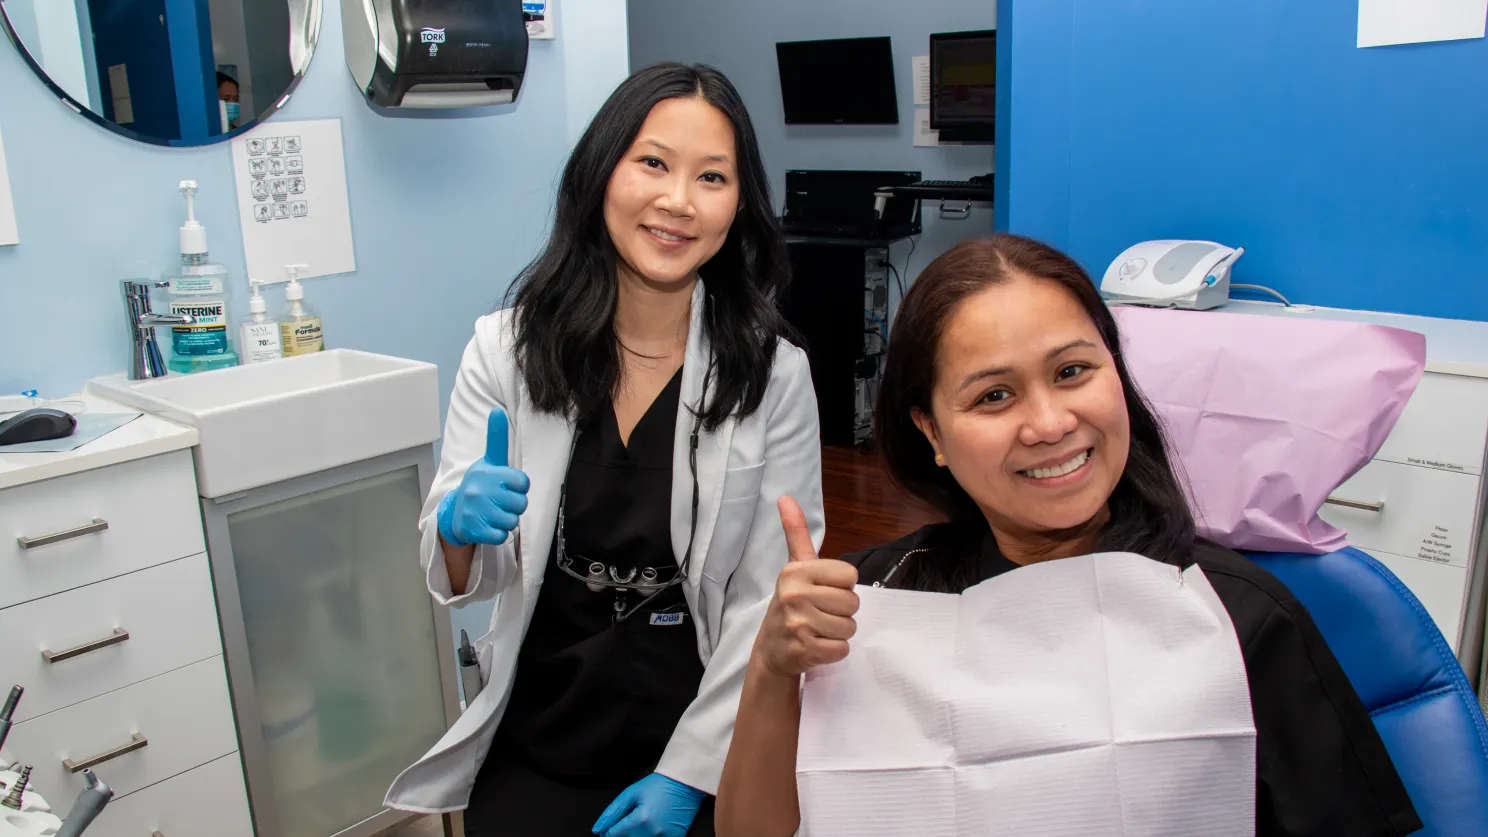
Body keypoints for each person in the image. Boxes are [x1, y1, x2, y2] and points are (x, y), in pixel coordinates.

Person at [715, 234, 1423, 837]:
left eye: (1073, 371)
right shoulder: (869, 606)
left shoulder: (1236, 620)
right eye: (994, 395)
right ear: (929, 429)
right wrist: (774, 671)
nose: (1049, 422)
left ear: (1118, 376)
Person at [384, 62, 825, 837]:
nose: (677, 202)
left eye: (712, 177)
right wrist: (457, 527)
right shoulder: (507, 352)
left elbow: (766, 600)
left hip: (702, 728)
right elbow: (462, 576)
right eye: (653, 163)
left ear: (739, 205)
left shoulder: (772, 374)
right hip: (544, 725)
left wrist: (689, 774)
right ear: (602, 174)